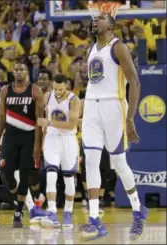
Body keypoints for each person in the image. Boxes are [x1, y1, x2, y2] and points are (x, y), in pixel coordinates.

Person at [80, 13, 148, 241]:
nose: (94, 22)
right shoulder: (91, 49)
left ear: (110, 25)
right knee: (90, 161)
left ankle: (138, 210)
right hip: (91, 108)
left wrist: (130, 120)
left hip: (114, 108)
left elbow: (135, 83)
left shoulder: (118, 48)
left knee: (119, 163)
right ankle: (94, 220)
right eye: (93, 19)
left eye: (99, 19)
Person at [0, 85, 46, 224]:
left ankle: (32, 210)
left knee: (19, 173)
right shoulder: (8, 97)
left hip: (12, 136)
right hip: (2, 136)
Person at [0, 61, 46, 228]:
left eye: (21, 69)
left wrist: (38, 145)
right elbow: (2, 119)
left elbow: (39, 122)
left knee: (25, 173)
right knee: (5, 171)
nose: (18, 72)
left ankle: (18, 210)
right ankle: (25, 197)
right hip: (10, 136)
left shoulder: (35, 90)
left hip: (29, 136)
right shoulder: (5, 91)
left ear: (27, 72)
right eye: (16, 69)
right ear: (12, 72)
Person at [38, 74, 81, 228]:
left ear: (66, 86)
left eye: (60, 89)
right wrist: (42, 142)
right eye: (55, 88)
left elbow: (71, 125)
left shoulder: (74, 100)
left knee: (69, 178)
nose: (57, 92)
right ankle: (52, 212)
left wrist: (49, 122)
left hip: (68, 140)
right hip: (51, 139)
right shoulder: (47, 96)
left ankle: (68, 212)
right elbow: (43, 124)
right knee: (50, 175)